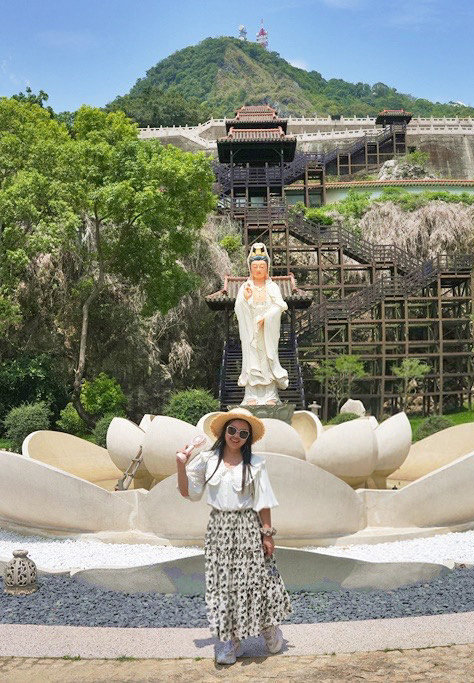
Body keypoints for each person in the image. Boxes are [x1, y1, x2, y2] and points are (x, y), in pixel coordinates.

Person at [176, 407, 292, 665]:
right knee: (223, 586)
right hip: (219, 528)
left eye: (242, 433)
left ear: (248, 438)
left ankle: (269, 627)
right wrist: (180, 465)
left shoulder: (256, 464)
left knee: (257, 583)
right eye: (232, 430)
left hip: (248, 526)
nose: (236, 436)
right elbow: (188, 492)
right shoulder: (207, 459)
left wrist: (267, 534)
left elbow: (263, 502)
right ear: (224, 432)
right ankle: (229, 640)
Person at [235, 242, 288, 405]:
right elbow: (238, 307)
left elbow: (280, 306)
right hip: (251, 330)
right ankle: (251, 396)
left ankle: (270, 395)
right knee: (252, 361)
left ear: (267, 268)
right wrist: (244, 297)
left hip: (267, 330)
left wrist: (267, 316)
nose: (258, 270)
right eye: (255, 266)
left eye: (262, 266)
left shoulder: (272, 287)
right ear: (250, 268)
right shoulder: (245, 286)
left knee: (267, 359)